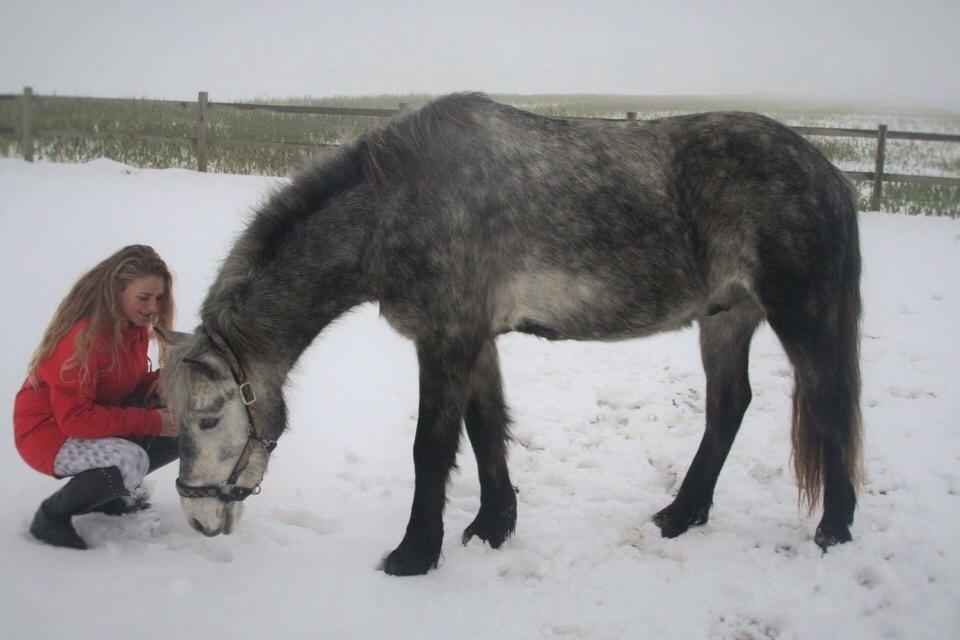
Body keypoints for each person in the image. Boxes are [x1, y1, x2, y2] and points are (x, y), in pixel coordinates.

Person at [14, 245, 180, 549]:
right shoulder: (81, 341)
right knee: (128, 458)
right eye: (143, 297)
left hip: (88, 419)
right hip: (49, 433)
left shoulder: (132, 328)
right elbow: (75, 418)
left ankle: (107, 497)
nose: (152, 307)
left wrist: (162, 382)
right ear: (117, 291)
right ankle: (51, 516)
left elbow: (120, 383)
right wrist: (152, 421)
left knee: (182, 431)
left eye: (158, 298)